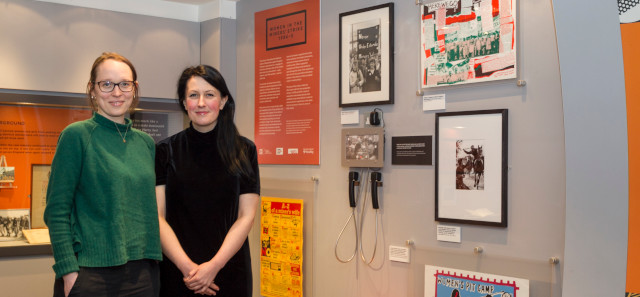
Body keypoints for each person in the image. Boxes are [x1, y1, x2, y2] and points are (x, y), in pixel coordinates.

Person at [44, 52, 162, 297]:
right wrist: (68, 271)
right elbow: (56, 210)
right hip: (90, 275)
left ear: (134, 88)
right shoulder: (76, 136)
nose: (117, 93)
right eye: (106, 84)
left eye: (124, 84)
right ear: (92, 89)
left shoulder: (146, 143)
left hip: (143, 274)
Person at [155, 65, 260, 296]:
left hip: (229, 270)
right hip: (179, 273)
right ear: (184, 103)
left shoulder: (245, 150)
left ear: (223, 101)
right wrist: (188, 268)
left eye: (209, 94)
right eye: (193, 95)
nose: (201, 103)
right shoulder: (164, 151)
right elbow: (158, 217)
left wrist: (214, 266)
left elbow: (246, 216)